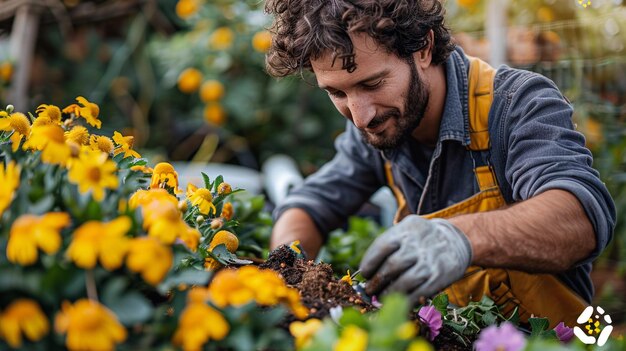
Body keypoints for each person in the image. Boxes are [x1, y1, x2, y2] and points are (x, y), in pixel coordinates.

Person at [264, 0, 615, 327]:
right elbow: (311, 206)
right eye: (337, 93)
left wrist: (460, 238)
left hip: (560, 340)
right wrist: (289, 274)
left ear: (423, 48)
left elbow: (581, 217)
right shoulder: (378, 125)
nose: (360, 116)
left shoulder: (516, 104)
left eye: (372, 83)